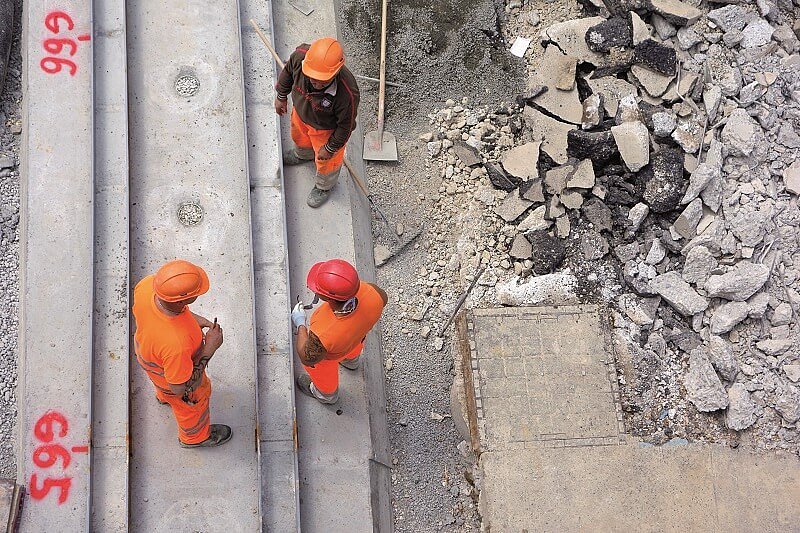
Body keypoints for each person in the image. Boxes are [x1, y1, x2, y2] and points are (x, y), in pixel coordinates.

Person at [132, 259, 232, 448]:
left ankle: (163, 397)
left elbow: (169, 311)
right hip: (176, 378)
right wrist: (210, 348)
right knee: (190, 406)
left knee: (164, 387)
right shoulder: (176, 344)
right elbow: (180, 388)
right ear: (181, 300)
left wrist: (195, 321)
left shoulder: (146, 286)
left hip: (149, 356)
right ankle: (195, 438)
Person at [274, 37, 360, 208]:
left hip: (326, 131)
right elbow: (288, 72)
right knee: (299, 138)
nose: (317, 83)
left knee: (328, 162)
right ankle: (303, 155)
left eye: (323, 80)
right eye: (313, 78)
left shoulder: (347, 94)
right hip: (301, 115)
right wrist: (281, 96)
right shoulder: (300, 57)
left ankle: (324, 186)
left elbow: (346, 126)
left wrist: (330, 148)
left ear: (336, 72)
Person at [291, 259, 387, 404]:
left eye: (317, 289)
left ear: (329, 298)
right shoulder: (373, 292)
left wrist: (300, 323)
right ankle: (351, 362)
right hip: (355, 339)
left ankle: (326, 395)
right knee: (354, 344)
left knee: (322, 370)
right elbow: (383, 299)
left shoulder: (325, 333)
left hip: (331, 352)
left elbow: (307, 357)